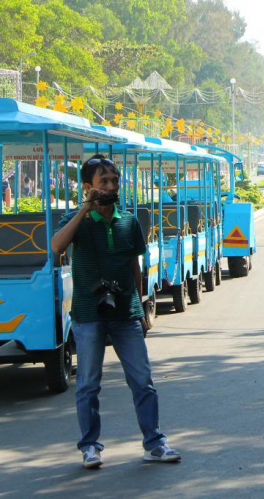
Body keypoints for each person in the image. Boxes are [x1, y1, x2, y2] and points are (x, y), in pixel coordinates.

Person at [51, 154, 181, 469]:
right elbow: (56, 247)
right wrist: (86, 208)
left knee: (143, 380)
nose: (110, 186)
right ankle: (90, 447)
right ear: (88, 187)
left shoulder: (129, 222)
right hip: (88, 314)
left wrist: (140, 307)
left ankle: (155, 443)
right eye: (103, 181)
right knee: (88, 384)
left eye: (114, 180)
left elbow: (135, 267)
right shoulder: (76, 220)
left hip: (126, 314)